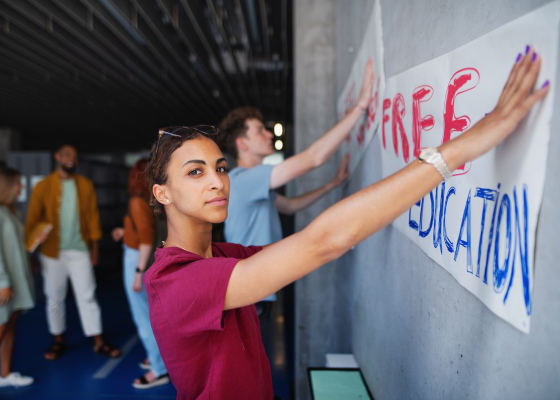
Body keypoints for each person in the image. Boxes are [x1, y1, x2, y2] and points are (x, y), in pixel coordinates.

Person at [142, 47, 547, 399]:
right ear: (163, 193)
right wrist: (461, 148)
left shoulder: (225, 254)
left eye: (220, 167)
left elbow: (311, 241)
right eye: (195, 173)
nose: (218, 181)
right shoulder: (174, 280)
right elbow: (324, 242)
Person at [216, 59, 374, 319]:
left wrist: (331, 185)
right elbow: (313, 158)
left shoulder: (250, 184)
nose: (269, 135)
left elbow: (288, 205)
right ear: (241, 143)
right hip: (248, 292)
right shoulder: (243, 180)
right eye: (259, 131)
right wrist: (359, 108)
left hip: (255, 289)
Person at [25, 144, 121, 360]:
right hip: (52, 253)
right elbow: (32, 220)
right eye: (67, 155)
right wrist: (30, 252)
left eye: (75, 157)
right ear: (57, 157)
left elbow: (92, 217)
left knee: (87, 296)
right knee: (54, 297)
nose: (72, 159)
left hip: (80, 250)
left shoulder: (85, 185)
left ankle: (98, 341)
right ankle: (58, 340)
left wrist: (94, 247)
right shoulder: (43, 186)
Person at [0, 167, 47, 400]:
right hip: (0, 285)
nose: (21, 187)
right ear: (6, 185)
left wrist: (32, 250)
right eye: (18, 183)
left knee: (9, 330)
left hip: (15, 281)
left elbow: (14, 246)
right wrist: (3, 282)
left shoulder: (11, 212)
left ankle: (4, 375)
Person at [111, 158, 170, 389]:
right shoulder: (152, 200)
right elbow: (143, 229)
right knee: (150, 314)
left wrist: (137, 273)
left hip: (137, 259)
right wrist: (124, 230)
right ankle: (158, 358)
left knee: (143, 318)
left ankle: (159, 369)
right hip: (141, 256)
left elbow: (146, 240)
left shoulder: (137, 201)